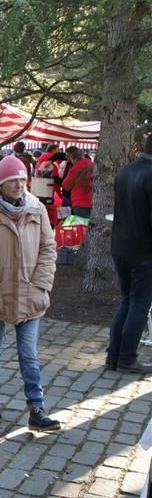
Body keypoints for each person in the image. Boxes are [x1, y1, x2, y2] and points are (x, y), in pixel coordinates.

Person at [0, 156, 60, 432]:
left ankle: (36, 407)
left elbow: (48, 249)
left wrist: (41, 285)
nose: (18, 185)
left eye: (22, 180)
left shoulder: (37, 209)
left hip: (30, 295)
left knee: (29, 353)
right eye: (12, 180)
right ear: (0, 183)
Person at [106, 134, 152, 374]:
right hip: (144, 251)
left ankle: (114, 355)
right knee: (139, 304)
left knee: (127, 301)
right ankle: (126, 358)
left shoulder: (125, 171)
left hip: (121, 247)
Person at [61, 147, 93, 218]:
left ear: (73, 158)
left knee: (80, 224)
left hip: (79, 201)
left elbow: (65, 185)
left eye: (67, 155)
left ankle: (63, 223)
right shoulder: (91, 164)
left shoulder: (76, 167)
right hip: (90, 201)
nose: (66, 157)